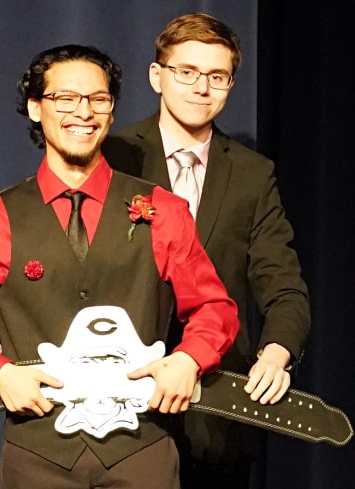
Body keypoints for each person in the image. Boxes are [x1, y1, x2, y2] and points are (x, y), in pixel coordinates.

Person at [0, 44, 240, 489]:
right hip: (36, 453)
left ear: (111, 110)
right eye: (65, 98)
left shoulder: (162, 210)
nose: (83, 112)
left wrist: (189, 358)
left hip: (141, 449)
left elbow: (214, 308)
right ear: (35, 107)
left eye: (98, 99)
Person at [100, 12, 310, 489]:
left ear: (231, 84)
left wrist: (276, 353)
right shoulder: (113, 157)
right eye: (187, 72)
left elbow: (283, 282)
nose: (201, 87)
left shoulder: (253, 174)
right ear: (157, 76)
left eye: (217, 77)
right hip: (121, 399)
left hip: (215, 405)